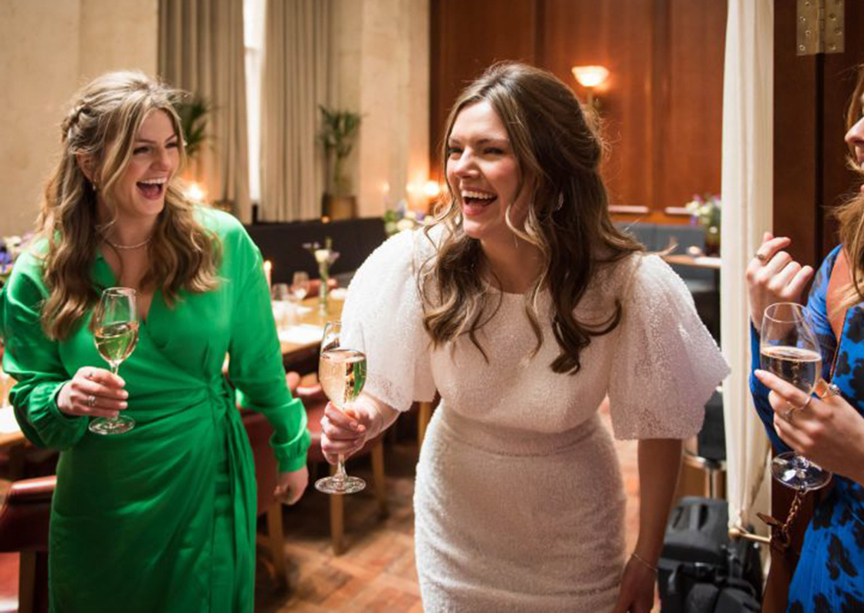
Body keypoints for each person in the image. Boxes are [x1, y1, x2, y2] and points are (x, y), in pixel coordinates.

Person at [321, 62, 729, 611]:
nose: (463, 168)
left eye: (490, 151)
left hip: (575, 538)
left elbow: (663, 428)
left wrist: (646, 556)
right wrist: (363, 419)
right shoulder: (420, 264)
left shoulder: (627, 284)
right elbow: (385, 385)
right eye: (455, 150)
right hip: (456, 527)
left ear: (551, 167)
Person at [1, 71, 309, 612]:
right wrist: (62, 398)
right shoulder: (38, 270)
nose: (164, 165)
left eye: (170, 146)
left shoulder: (222, 242)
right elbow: (30, 398)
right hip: (101, 494)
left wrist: (291, 449)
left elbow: (259, 365)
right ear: (90, 164)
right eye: (141, 150)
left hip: (204, 474)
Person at [747, 42, 864, 611]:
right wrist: (770, 333)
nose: (854, 132)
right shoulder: (853, 264)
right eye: (863, 109)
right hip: (825, 582)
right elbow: (796, 443)